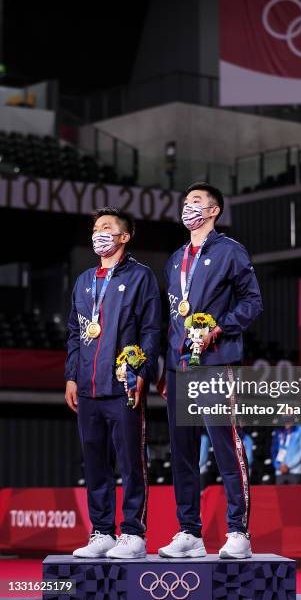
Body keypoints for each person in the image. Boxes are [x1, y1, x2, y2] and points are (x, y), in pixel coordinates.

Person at [159, 182, 262, 560]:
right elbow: (173, 315)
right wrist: (164, 364)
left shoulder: (230, 252)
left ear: (214, 211)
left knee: (225, 446)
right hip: (178, 367)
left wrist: (220, 326)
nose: (189, 208)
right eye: (185, 203)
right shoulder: (175, 259)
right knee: (182, 453)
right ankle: (189, 531)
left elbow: (253, 301)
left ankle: (239, 531)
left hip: (216, 362)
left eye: (197, 203)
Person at [65, 207, 161, 558]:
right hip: (88, 387)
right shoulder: (84, 280)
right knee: (94, 461)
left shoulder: (141, 277)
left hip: (123, 385)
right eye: (95, 228)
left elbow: (151, 330)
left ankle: (133, 533)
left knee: (131, 460)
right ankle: (102, 531)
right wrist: (71, 377)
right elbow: (75, 333)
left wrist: (141, 372)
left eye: (107, 227)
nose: (98, 232)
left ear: (125, 236)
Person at [271, 419, 301, 484]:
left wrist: (288, 466)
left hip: (295, 470)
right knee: (281, 493)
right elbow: (274, 450)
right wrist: (278, 465)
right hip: (280, 471)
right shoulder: (278, 431)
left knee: (295, 493)